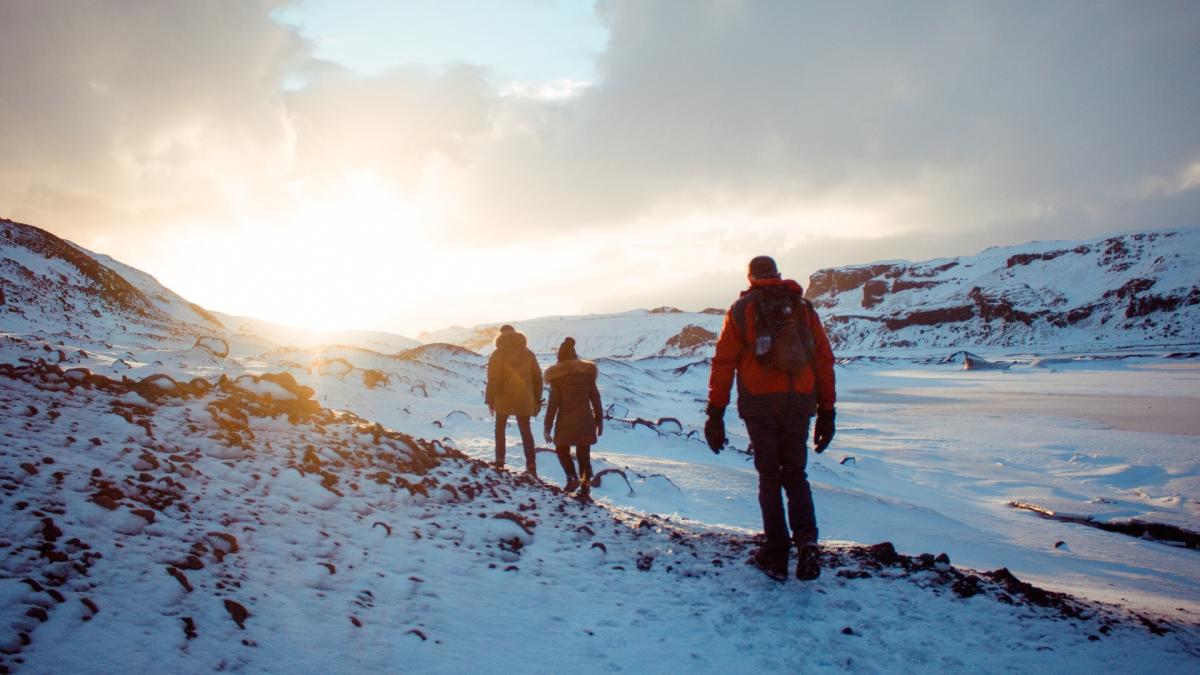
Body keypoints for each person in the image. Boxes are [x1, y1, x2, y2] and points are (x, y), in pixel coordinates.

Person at [706, 255, 836, 582]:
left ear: (750, 277)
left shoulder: (742, 310)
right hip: (799, 402)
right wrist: (827, 412)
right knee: (796, 474)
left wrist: (715, 415)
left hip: (759, 403)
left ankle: (776, 553)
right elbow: (823, 361)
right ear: (776, 274)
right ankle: (807, 542)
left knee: (769, 476)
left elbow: (723, 363)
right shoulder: (803, 308)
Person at [543, 337, 603, 498]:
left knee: (562, 449)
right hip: (586, 420)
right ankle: (585, 488)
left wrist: (547, 428)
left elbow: (553, 405)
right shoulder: (587, 374)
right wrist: (599, 421)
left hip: (566, 421)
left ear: (560, 358)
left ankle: (571, 477)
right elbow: (595, 398)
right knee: (584, 455)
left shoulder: (557, 377)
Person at [485, 324, 543, 476]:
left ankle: (499, 460)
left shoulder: (498, 353)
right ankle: (531, 466)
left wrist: (490, 400)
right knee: (525, 431)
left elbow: (494, 378)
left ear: (501, 335)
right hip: (524, 398)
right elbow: (538, 378)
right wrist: (537, 400)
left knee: (500, 428)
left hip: (503, 398)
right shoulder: (528, 353)